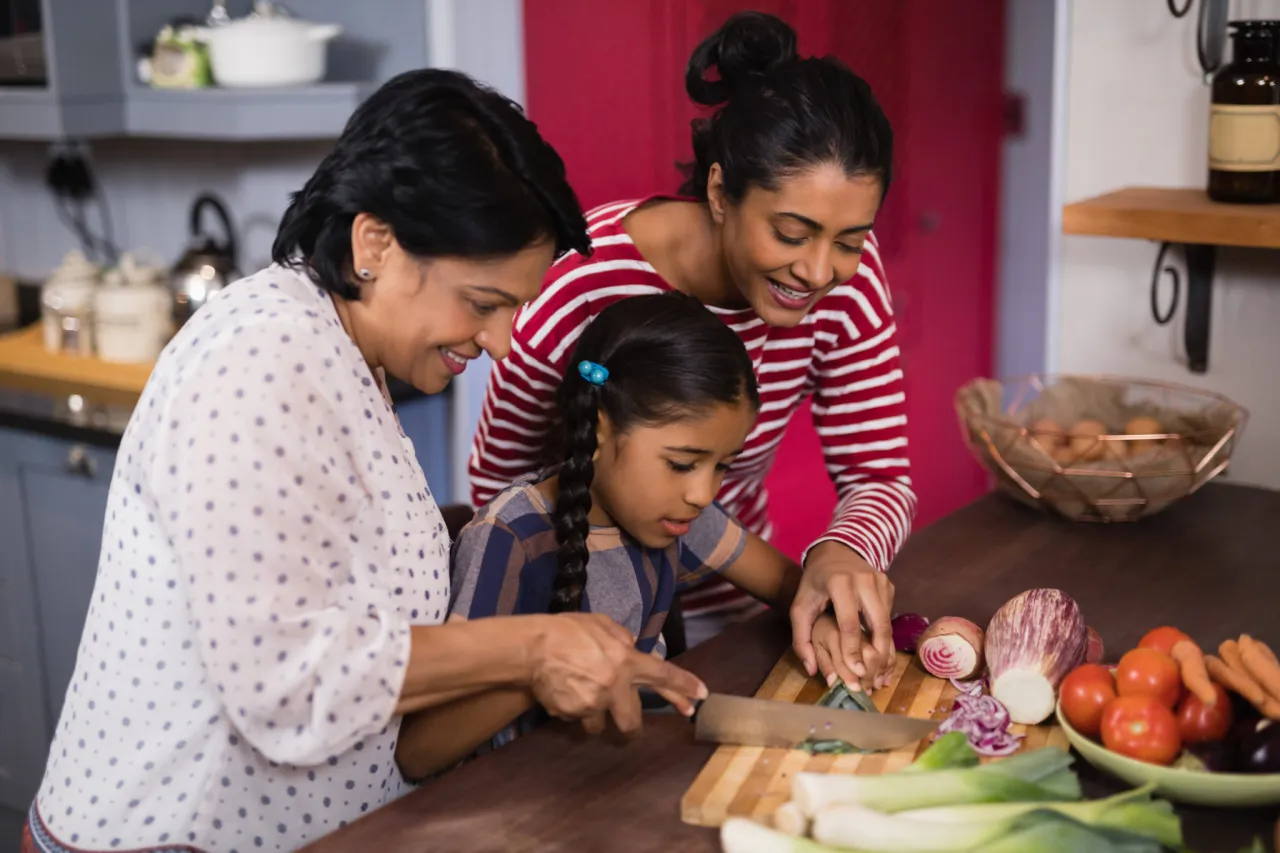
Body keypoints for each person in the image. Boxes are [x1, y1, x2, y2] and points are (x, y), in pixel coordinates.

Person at [24, 69, 709, 853]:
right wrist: (535, 643)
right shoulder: (260, 361)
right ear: (375, 243)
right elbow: (289, 681)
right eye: (484, 303)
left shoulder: (342, 351)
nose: (500, 342)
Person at [469, 11, 910, 684]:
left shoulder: (851, 281)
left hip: (735, 609)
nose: (822, 271)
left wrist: (842, 554)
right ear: (718, 191)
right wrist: (561, 638)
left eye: (849, 240)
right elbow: (500, 485)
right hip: (575, 629)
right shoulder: (582, 281)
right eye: (792, 232)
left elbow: (878, 475)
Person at [396, 293, 859, 777]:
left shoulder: (675, 511)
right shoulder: (511, 537)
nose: (702, 492)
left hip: (614, 782)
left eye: (721, 465)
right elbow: (420, 751)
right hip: (514, 803)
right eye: (681, 463)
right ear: (599, 429)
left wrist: (822, 621)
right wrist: (540, 671)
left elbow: (790, 588)